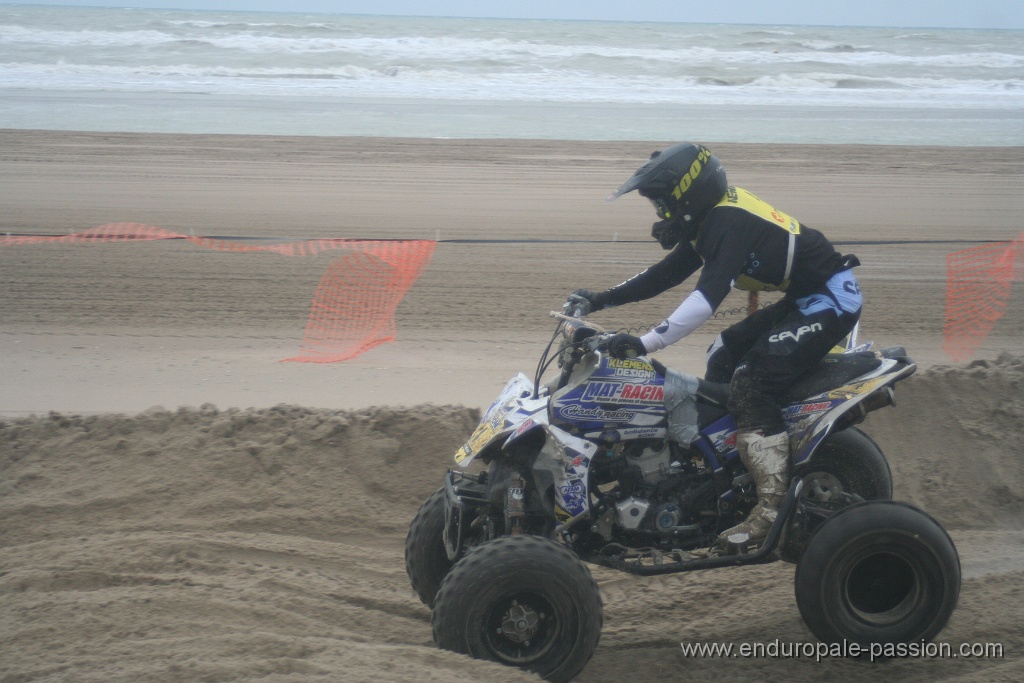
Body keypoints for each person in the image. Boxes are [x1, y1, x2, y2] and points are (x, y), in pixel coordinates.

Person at [568, 142, 862, 551]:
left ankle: (771, 507)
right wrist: (599, 299)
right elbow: (664, 275)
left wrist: (645, 342)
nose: (660, 213)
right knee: (722, 355)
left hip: (832, 299)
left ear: (688, 194)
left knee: (750, 382)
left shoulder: (727, 222)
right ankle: (730, 473)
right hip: (805, 298)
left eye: (663, 203)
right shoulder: (711, 219)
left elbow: (705, 299)